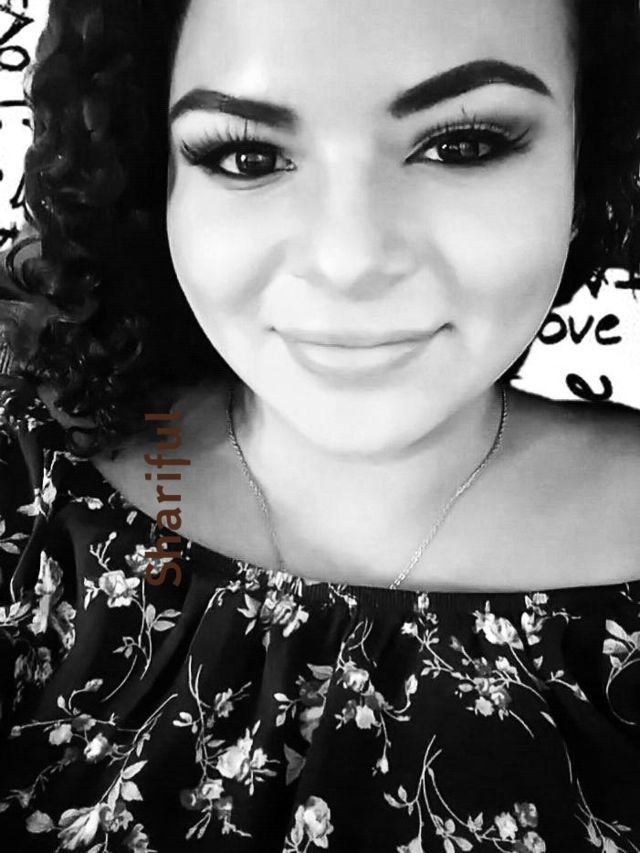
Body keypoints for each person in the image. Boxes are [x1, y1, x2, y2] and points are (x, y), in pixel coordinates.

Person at [1, 0, 639, 849]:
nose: (348, 261)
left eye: (463, 145)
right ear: (152, 173)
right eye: (248, 156)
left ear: (587, 165)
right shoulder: (28, 466)